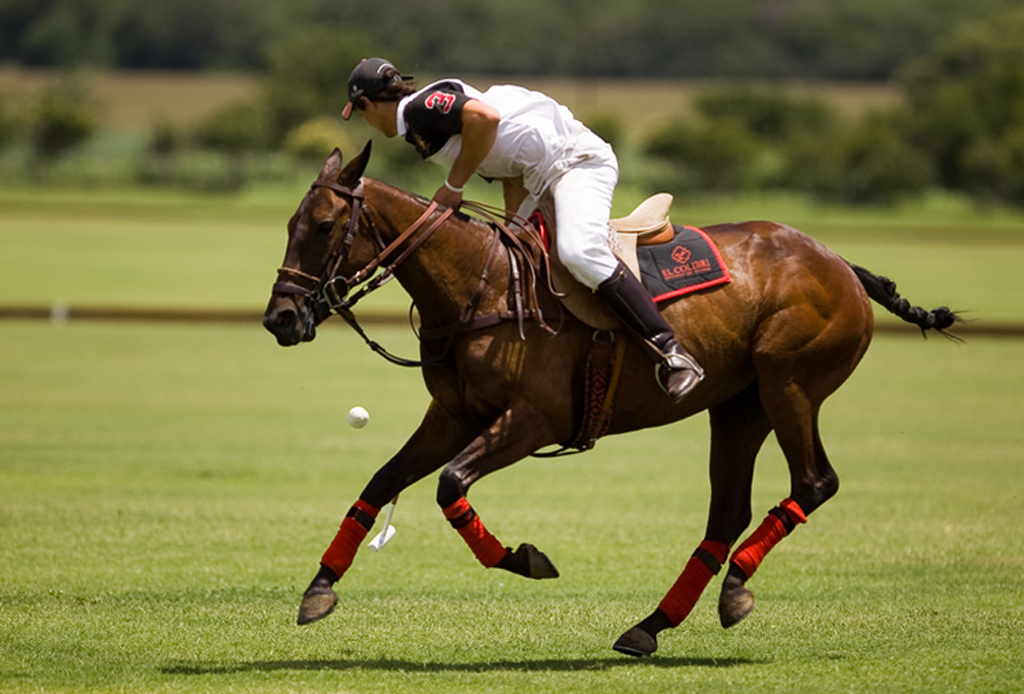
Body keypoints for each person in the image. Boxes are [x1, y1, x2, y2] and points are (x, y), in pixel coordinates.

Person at [341, 58, 703, 402]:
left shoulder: (417, 109)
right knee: (506, 257)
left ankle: (671, 352)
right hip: (537, 180)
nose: (365, 122)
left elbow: (486, 117)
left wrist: (453, 186)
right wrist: (512, 230)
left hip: (576, 164)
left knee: (579, 252)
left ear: (368, 104)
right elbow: (511, 174)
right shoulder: (420, 126)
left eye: (359, 114)